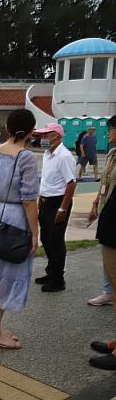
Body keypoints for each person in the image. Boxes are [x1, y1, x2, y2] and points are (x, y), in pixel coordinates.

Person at [0, 109, 39, 349]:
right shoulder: (26, 157)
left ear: (7, 128)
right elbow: (29, 199)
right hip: (15, 218)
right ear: (32, 131)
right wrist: (35, 233)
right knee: (6, 274)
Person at [33, 123, 77, 292]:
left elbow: (71, 183)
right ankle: (51, 272)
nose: (43, 138)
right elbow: (47, 179)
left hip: (58, 203)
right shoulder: (47, 154)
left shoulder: (64, 156)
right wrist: (40, 198)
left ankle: (58, 280)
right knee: (46, 239)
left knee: (56, 241)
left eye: (46, 135)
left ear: (57, 136)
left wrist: (63, 208)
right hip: (46, 201)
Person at [87, 116, 116, 370]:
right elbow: (107, 185)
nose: (109, 134)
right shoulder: (113, 155)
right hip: (110, 223)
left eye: (112, 129)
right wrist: (97, 203)